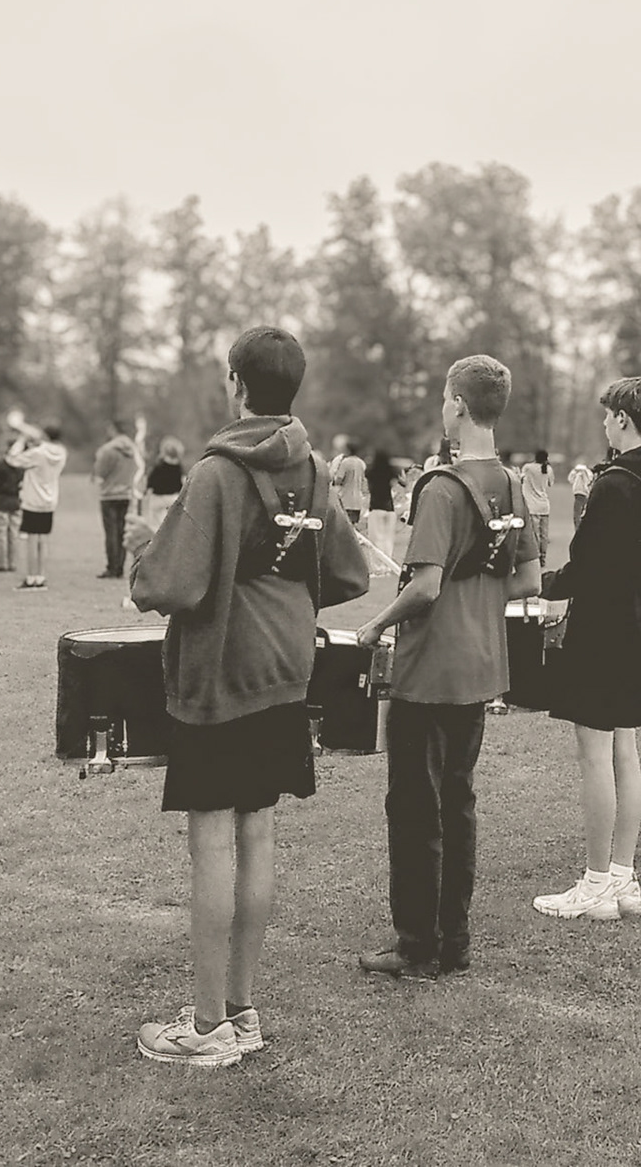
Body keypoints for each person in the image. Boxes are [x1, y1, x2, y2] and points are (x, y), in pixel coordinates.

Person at [125, 326, 370, 1067]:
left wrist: (141, 548)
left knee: (211, 842)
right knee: (258, 832)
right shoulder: (316, 468)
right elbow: (350, 573)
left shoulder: (215, 473)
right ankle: (242, 1009)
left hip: (222, 677)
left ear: (236, 383)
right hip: (285, 672)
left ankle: (204, 1029)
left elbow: (169, 585)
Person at [354, 355, 541, 979]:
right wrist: (482, 600)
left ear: (458, 404)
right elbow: (529, 577)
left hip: (430, 669)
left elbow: (426, 586)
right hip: (482, 667)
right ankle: (453, 941)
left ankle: (416, 946)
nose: (441, 408)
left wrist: (379, 623)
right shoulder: (512, 484)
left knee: (414, 809)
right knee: (457, 804)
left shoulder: (440, 487)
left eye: (442, 398)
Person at [533, 377, 641, 919]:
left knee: (596, 753)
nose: (604, 424)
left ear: (624, 418)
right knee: (624, 747)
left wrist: (545, 584)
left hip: (605, 627)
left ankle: (598, 879)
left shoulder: (616, 481)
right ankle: (624, 878)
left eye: (607, 416)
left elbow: (587, 562)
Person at [7, 423, 68, 590]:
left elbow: (12, 459)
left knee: (32, 541)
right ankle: (41, 576)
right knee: (43, 540)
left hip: (33, 500)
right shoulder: (62, 452)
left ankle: (31, 578)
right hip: (49, 501)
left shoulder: (38, 453)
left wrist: (21, 441)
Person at [92, 419, 139, 580]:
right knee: (121, 532)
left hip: (109, 494)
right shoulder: (133, 449)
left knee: (111, 532)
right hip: (126, 493)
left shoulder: (108, 450)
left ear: (113, 430)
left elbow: (99, 473)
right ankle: (119, 566)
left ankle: (112, 567)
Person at [0, 435, 25, 572]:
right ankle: (12, 562)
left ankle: (1, 564)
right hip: (15, 501)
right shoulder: (21, 466)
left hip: (1, 502)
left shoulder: (0, 465)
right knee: (13, 534)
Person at [520, 448, 554, 565]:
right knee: (544, 534)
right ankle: (543, 558)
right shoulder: (548, 469)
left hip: (531, 505)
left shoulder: (528, 468)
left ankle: (536, 557)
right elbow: (551, 483)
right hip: (544, 505)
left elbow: (520, 479)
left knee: (534, 533)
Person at [365, 447, 399, 555]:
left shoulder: (371, 472)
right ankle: (388, 566)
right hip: (389, 507)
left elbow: (368, 484)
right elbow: (401, 480)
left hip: (376, 507)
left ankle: (378, 567)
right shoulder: (390, 471)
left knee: (377, 540)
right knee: (388, 540)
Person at [145, 438, 186, 527]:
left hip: (158, 498)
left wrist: (147, 492)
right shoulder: (179, 468)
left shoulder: (159, 466)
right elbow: (182, 484)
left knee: (155, 523)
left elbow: (150, 482)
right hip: (172, 498)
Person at [332, 436, 368, 527]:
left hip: (346, 500)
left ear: (348, 450)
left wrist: (332, 479)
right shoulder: (361, 463)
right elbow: (364, 483)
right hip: (358, 501)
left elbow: (338, 480)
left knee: (344, 526)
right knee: (353, 526)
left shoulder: (345, 462)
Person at [567, 454, 595, 532]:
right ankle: (579, 530)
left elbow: (589, 480)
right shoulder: (576, 473)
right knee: (578, 515)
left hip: (583, 494)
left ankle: (579, 531)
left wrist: (584, 473)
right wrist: (575, 471)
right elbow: (570, 479)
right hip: (578, 495)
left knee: (578, 515)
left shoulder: (587, 472)